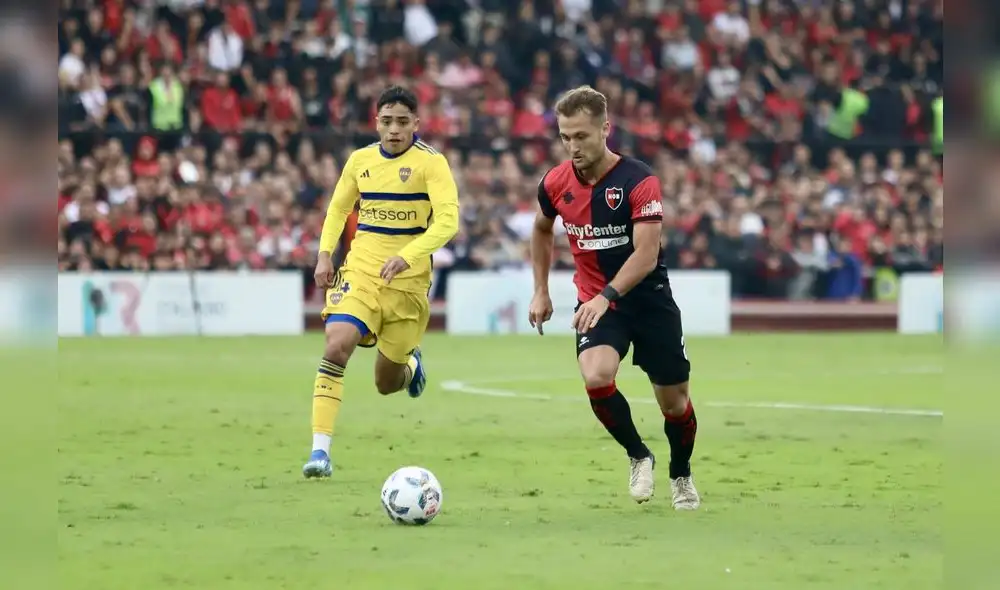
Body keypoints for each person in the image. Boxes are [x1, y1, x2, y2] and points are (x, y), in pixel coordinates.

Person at [528, 86, 700, 509]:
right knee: (596, 375)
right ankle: (639, 455)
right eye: (565, 137)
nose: (573, 146)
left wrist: (605, 296)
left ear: (606, 129)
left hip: (649, 302)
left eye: (582, 136)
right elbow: (541, 229)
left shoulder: (639, 181)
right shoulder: (554, 183)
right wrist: (541, 290)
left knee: (674, 404)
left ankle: (680, 473)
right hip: (597, 302)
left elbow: (646, 255)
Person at [303, 86, 460, 478]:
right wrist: (325, 254)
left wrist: (407, 256)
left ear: (416, 124)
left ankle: (410, 367)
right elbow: (338, 208)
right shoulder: (360, 161)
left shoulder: (432, 164)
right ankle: (320, 452)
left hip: (408, 284)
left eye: (402, 122)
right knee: (337, 344)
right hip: (361, 271)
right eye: (387, 121)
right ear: (376, 122)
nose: (394, 130)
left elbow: (448, 221)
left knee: (385, 383)